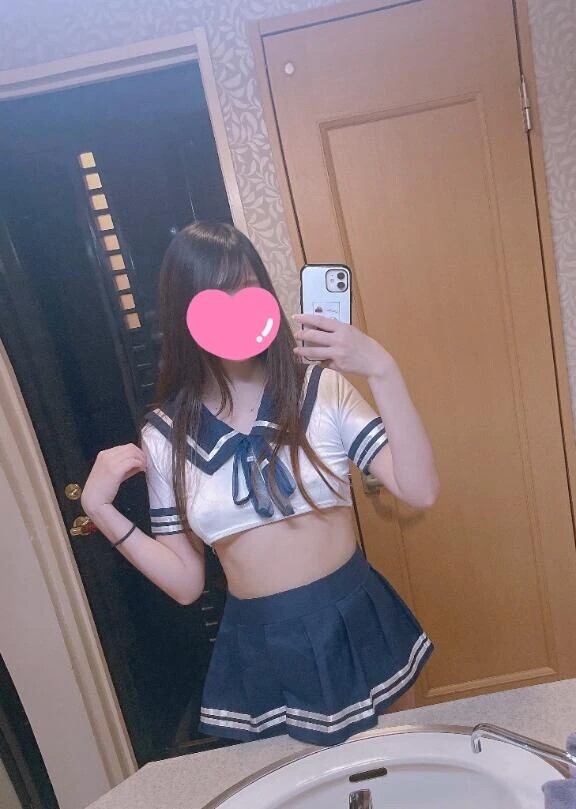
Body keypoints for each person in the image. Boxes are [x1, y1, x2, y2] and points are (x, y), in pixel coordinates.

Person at [81, 221, 439, 746]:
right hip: (261, 648)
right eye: (215, 295)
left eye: (246, 288)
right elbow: (186, 583)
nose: (235, 307)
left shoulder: (320, 387)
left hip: (355, 621)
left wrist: (383, 370)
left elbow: (420, 490)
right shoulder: (165, 437)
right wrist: (101, 510)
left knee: (398, 768)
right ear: (183, 313)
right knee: (303, 784)